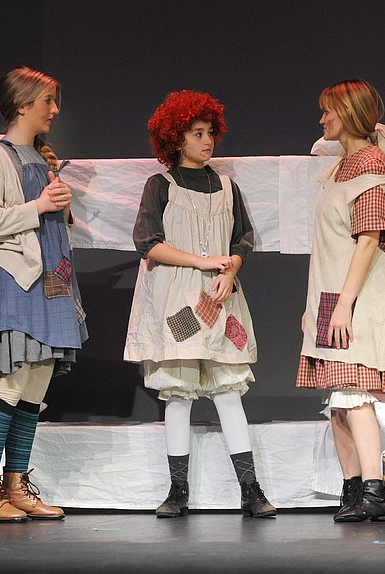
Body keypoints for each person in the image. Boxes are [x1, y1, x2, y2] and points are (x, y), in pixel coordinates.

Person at [124, 90, 276, 519]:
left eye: (210, 132)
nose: (207, 140)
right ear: (176, 138)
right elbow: (148, 244)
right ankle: (177, 492)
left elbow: (242, 239)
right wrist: (202, 261)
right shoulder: (161, 186)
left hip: (219, 298)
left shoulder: (228, 186)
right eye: (197, 133)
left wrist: (229, 270)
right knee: (179, 393)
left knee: (228, 392)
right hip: (177, 303)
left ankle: (251, 490)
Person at [0, 66, 89, 522]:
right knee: (12, 378)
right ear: (22, 105)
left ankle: (16, 485)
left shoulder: (43, 158)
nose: (55, 110)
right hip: (15, 277)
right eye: (47, 102)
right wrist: (39, 205)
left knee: (35, 383)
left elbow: (51, 224)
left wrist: (60, 206)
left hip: (52, 277)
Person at [296, 79, 385, 523]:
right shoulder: (344, 164)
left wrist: (344, 304)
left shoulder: (371, 164)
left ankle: (375, 491)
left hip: (358, 297)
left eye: (329, 111)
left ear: (351, 115)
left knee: (355, 393)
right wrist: (316, 305)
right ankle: (353, 489)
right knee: (338, 399)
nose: (322, 119)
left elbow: (368, 241)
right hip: (333, 295)